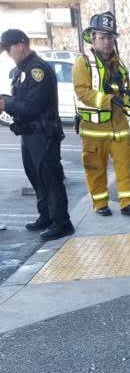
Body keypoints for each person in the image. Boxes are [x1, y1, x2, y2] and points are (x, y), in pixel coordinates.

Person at [0, 29, 74, 241]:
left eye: (9, 49)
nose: (8, 54)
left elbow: (33, 105)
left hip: (44, 135)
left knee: (51, 179)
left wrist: (6, 104)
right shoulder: (22, 70)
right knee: (36, 178)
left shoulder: (37, 70)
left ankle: (62, 223)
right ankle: (46, 216)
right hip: (30, 135)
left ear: (21, 45)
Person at [72, 12, 130, 217]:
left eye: (110, 38)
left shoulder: (119, 64)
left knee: (126, 164)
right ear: (93, 39)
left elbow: (123, 91)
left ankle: (128, 203)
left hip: (119, 126)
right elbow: (82, 92)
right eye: (103, 37)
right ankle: (100, 204)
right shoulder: (83, 63)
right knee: (95, 168)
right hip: (94, 129)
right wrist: (107, 100)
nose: (107, 42)